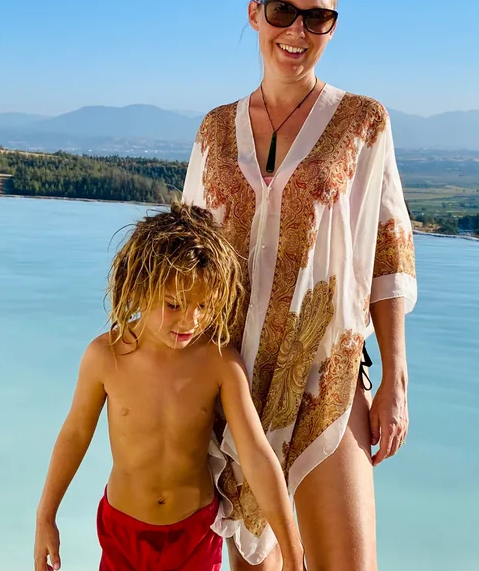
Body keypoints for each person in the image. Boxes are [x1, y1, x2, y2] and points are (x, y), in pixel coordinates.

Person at [182, 0, 418, 570]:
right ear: (254, 14)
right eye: (283, 11)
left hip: (330, 377)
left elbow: (390, 249)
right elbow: (186, 257)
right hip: (231, 383)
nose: (298, 31)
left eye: (318, 18)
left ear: (332, 28)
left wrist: (394, 374)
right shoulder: (213, 129)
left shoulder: (363, 122)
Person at [34, 203, 305, 571]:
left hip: (193, 532)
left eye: (203, 306)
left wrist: (292, 552)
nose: (189, 320)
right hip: (122, 532)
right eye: (174, 304)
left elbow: (256, 454)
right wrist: (46, 516)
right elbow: (75, 433)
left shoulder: (219, 363)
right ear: (141, 287)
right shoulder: (105, 357)